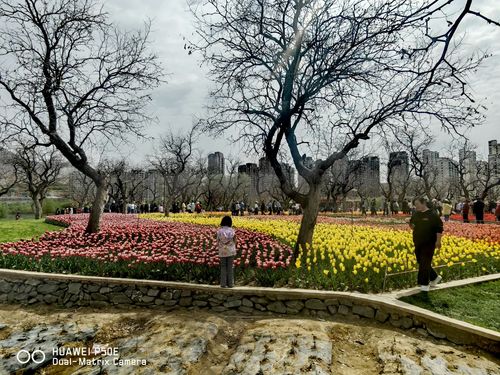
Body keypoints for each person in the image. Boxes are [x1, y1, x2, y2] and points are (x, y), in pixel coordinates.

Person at [409, 197, 443, 292]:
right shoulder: (416, 214)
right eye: (415, 205)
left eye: (417, 204)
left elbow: (439, 229)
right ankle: (435, 277)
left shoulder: (432, 214)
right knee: (421, 261)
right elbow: (412, 225)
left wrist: (438, 241)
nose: (416, 206)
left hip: (429, 242)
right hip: (418, 241)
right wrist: (411, 224)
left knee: (425, 261)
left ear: (424, 203)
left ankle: (424, 284)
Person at [217, 216, 237, 288]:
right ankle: (231, 284)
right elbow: (235, 240)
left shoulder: (219, 231)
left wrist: (221, 246)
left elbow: (218, 241)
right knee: (230, 267)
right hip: (231, 250)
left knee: (223, 267)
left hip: (222, 250)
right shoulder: (232, 231)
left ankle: (223, 284)